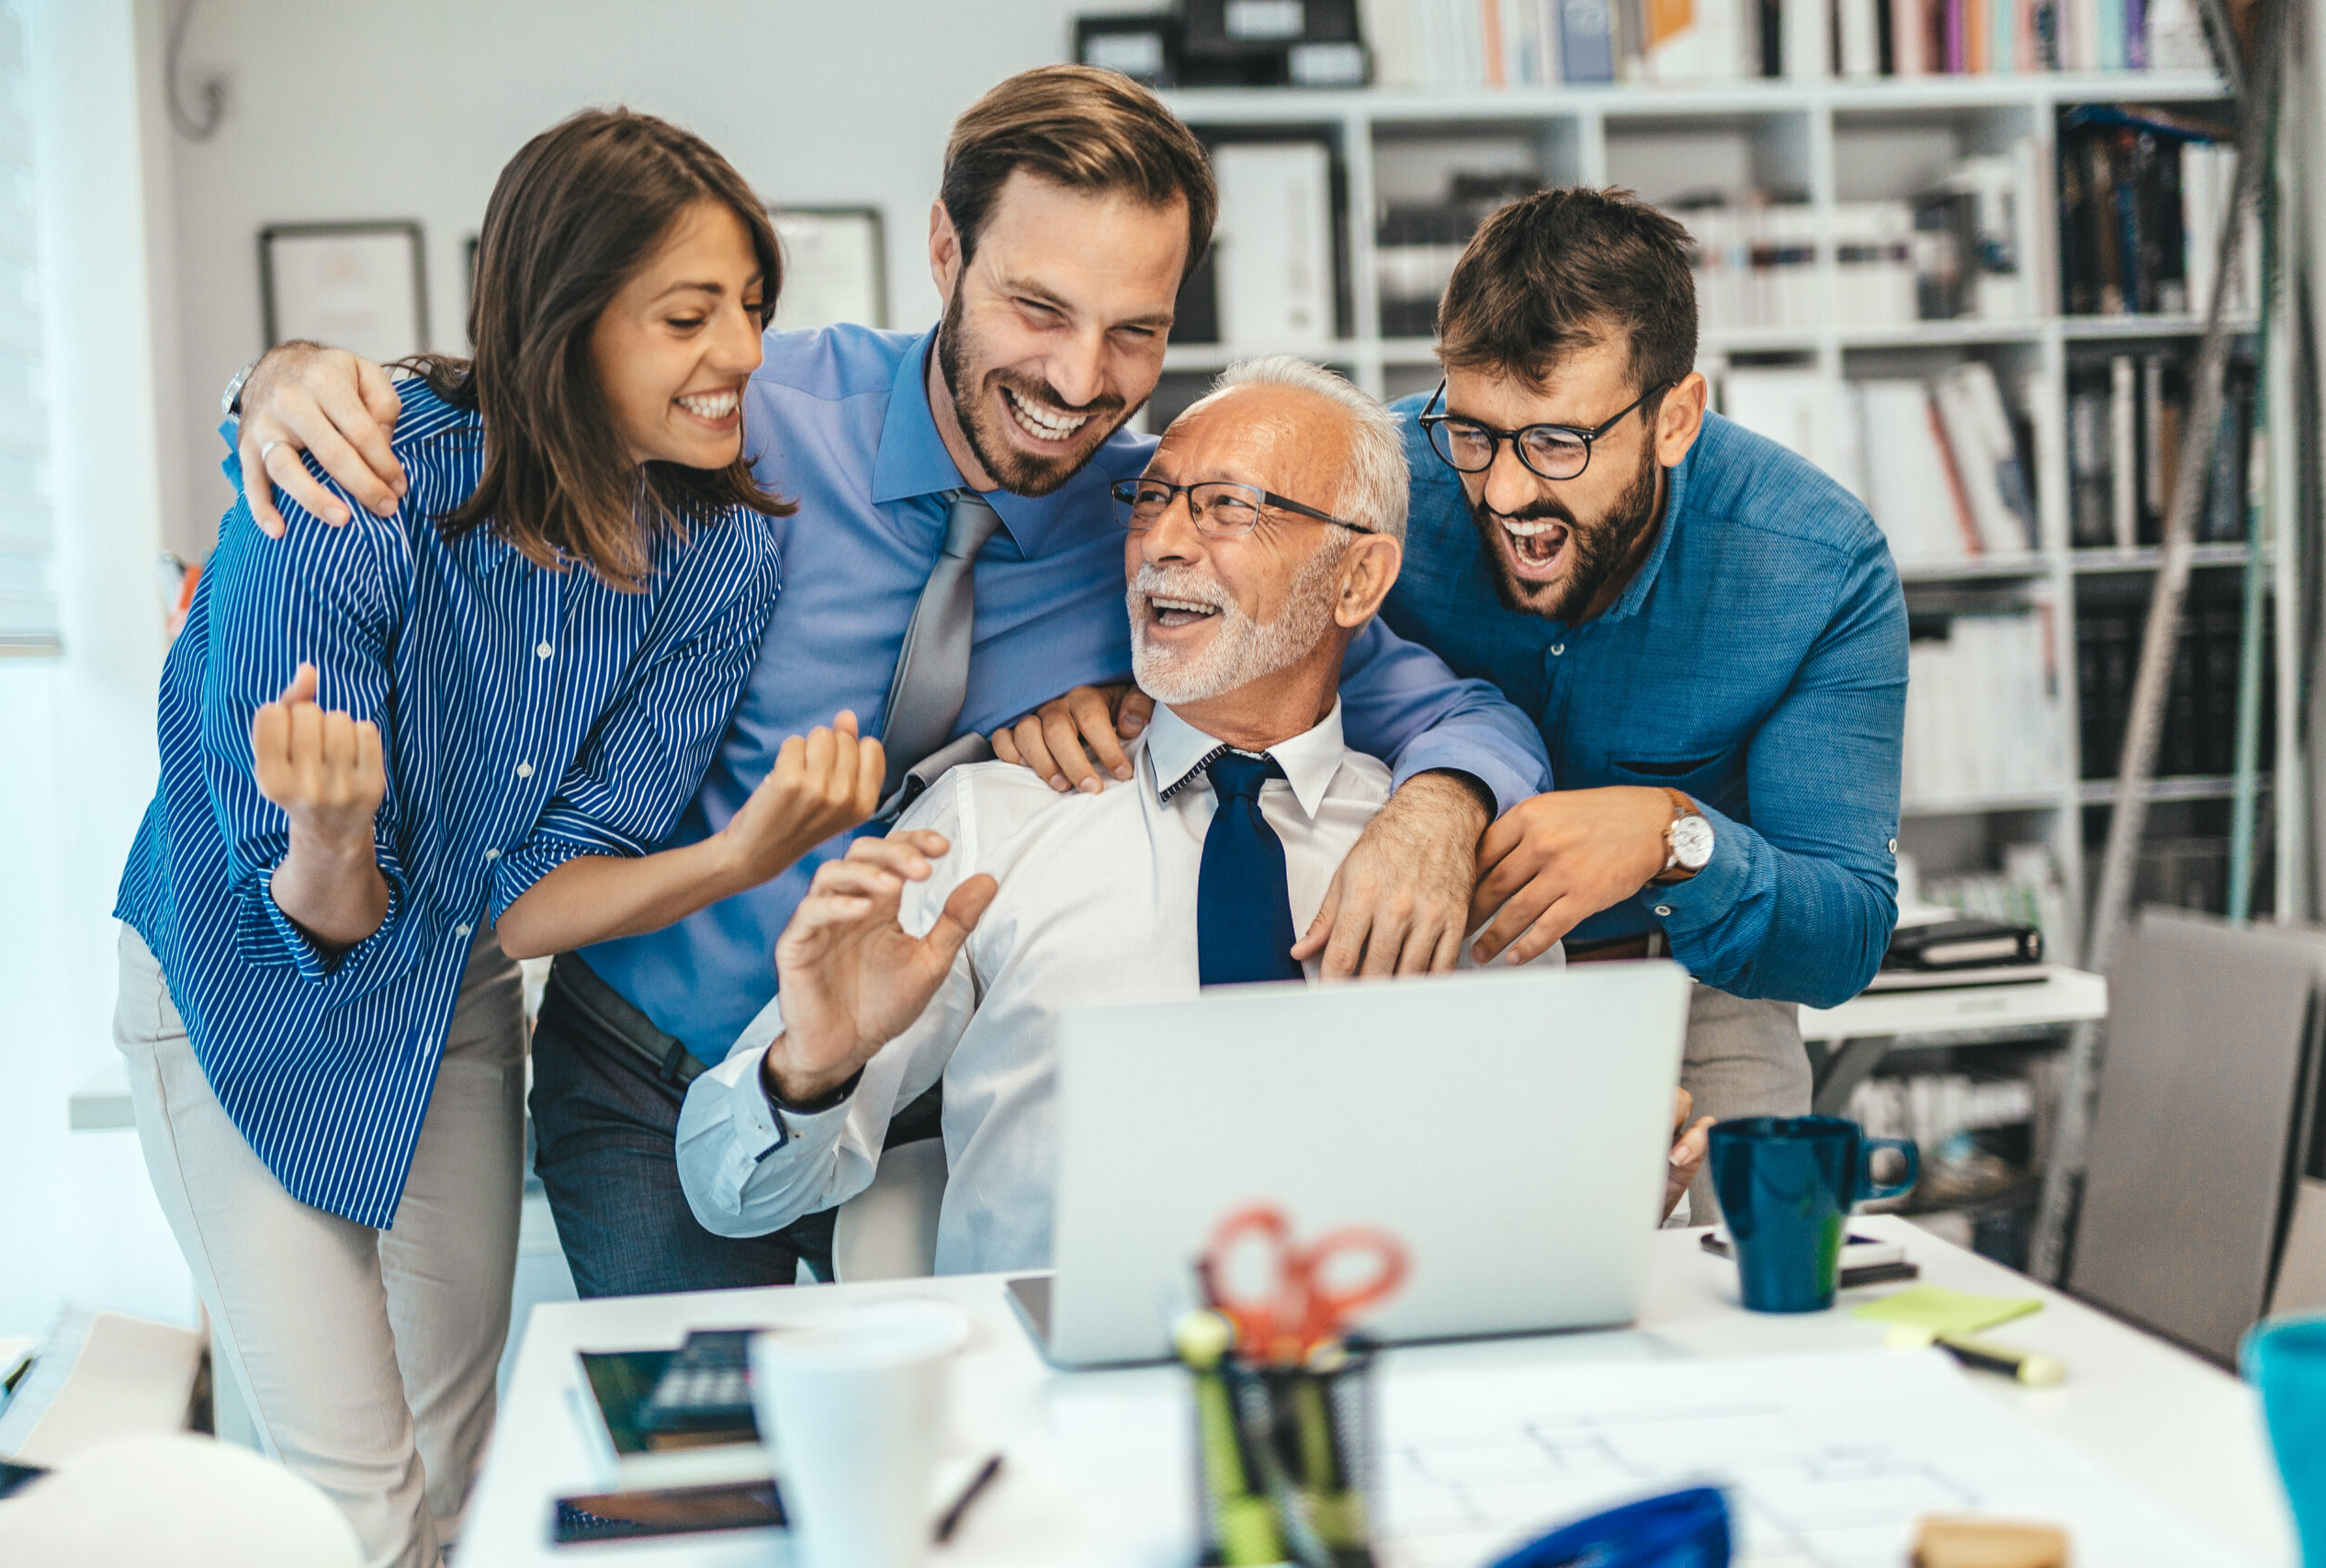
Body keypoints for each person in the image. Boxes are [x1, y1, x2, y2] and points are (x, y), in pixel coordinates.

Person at [218, 67, 1553, 1299]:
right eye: (1039, 309)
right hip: (647, 1065)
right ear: (944, 253)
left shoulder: (1153, 525)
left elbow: (1428, 702)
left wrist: (1439, 809)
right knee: (713, 1452)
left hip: (912, 1076)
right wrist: (276, 383)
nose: (1078, 380)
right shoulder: (739, 420)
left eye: (1134, 332)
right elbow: (513, 406)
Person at [112, 111, 881, 1568]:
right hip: (240, 980)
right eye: (688, 316)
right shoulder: (353, 488)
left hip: (453, 979)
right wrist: (333, 828)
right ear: (565, 321)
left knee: (474, 1468)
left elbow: (526, 900)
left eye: (752, 306)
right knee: (360, 1500)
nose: (742, 352)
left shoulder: (720, 550)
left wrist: (741, 854)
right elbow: (309, 909)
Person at [677, 357, 1712, 1269]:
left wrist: (1618, 1197)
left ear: (1359, 578)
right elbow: (731, 1195)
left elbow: (1520, 1219)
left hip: (1379, 1384)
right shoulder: (989, 822)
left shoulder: (1448, 863)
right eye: (1153, 499)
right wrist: (810, 1070)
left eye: (1228, 507)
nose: (1161, 543)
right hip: (1060, 1399)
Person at [1008, 188, 1909, 1223]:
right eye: (1476, 433)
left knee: (1737, 1278)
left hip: (1692, 979)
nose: (1505, 493)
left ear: (1674, 418)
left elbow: (1844, 937)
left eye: (1558, 443)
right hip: (1432, 966)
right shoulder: (1385, 484)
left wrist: (1674, 839)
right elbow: (1203, 591)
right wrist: (1091, 680)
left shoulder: (1817, 565)